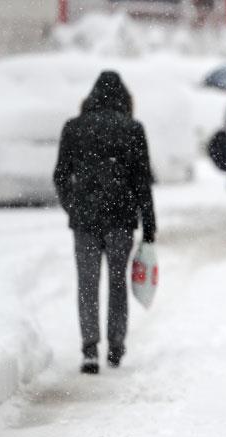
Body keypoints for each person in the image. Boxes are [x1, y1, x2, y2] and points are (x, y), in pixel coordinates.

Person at [54, 71, 156, 374]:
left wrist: (72, 205)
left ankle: (89, 349)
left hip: (84, 219)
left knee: (87, 282)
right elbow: (142, 182)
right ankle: (115, 345)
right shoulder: (133, 129)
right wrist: (149, 222)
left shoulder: (74, 128)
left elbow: (60, 175)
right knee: (116, 282)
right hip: (121, 218)